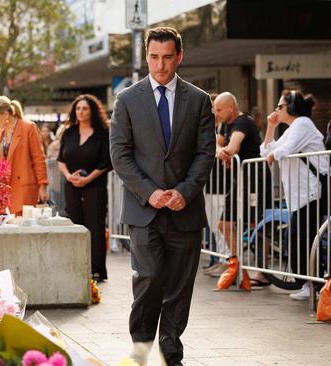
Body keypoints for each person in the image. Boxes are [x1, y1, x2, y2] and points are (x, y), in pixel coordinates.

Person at [109, 27, 215, 365]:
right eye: (154, 57)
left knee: (180, 287)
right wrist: (149, 192)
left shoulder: (199, 100)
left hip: (185, 210)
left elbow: (205, 153)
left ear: (179, 56)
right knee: (149, 278)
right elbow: (120, 154)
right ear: (147, 57)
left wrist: (184, 192)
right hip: (145, 210)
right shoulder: (127, 99)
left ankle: (171, 351)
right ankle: (140, 350)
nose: (160, 65)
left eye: (167, 57)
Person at [260, 90, 328, 301]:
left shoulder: (303, 124)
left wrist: (273, 154)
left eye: (280, 106)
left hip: (311, 191)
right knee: (299, 239)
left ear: (291, 107)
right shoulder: (292, 128)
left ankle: (313, 284)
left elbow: (283, 151)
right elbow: (265, 151)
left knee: (303, 239)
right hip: (299, 194)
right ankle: (308, 283)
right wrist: (271, 127)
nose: (276, 110)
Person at [213, 92, 271, 289]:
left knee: (258, 222)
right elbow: (216, 144)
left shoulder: (242, 122)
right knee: (224, 224)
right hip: (241, 178)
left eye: (219, 109)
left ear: (231, 108)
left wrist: (224, 152)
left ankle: (262, 271)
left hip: (255, 177)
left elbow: (232, 147)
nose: (216, 113)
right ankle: (239, 265)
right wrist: (221, 150)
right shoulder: (225, 124)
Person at [58, 94, 112, 282]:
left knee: (95, 226)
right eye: (78, 108)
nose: (80, 112)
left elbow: (106, 162)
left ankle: (96, 270)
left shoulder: (103, 133)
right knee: (75, 224)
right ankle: (77, 266)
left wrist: (88, 178)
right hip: (71, 185)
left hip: (95, 186)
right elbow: (61, 160)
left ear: (92, 111)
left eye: (85, 108)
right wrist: (68, 176)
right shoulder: (69, 132)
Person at [0, 96, 48, 216]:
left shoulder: (28, 128)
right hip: (1, 190)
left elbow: (39, 159)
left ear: (6, 114)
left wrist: (43, 185)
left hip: (22, 188)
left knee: (21, 227)